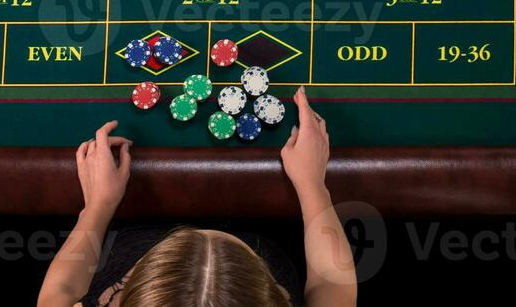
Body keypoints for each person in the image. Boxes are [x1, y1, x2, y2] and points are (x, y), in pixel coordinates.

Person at [35, 88, 358, 306]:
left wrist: (97, 205)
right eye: (233, 245)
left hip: (125, 238)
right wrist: (313, 184)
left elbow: (58, 293)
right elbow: (332, 285)